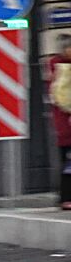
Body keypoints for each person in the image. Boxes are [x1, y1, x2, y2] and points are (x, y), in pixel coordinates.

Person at [50, 34, 71, 209]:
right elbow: (63, 100)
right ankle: (65, 197)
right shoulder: (61, 69)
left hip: (65, 128)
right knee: (68, 165)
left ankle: (65, 197)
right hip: (67, 128)